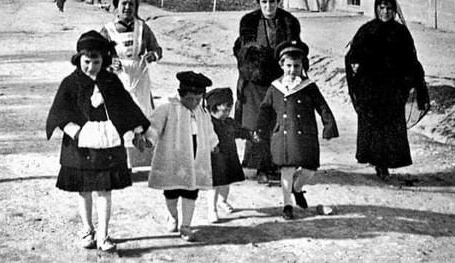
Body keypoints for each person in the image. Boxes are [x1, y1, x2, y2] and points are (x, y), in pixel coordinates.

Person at [45, 30, 150, 253]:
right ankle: (87, 230)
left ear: (104, 59)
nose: (91, 66)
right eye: (87, 61)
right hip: (79, 145)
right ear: (78, 60)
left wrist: (138, 130)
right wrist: (74, 131)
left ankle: (103, 234)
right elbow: (59, 111)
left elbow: (126, 106)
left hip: (107, 144)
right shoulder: (70, 83)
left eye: (96, 61)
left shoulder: (111, 81)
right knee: (84, 190)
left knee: (104, 190)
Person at [345, 0, 430, 181]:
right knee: (374, 126)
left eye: (389, 8)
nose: (385, 12)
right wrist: (357, 70)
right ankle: (378, 162)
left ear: (394, 11)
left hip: (392, 89)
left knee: (390, 127)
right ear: (376, 9)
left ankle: (386, 162)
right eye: (381, 8)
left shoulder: (401, 32)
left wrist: (414, 81)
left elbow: (411, 59)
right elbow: (353, 55)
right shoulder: (367, 30)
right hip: (371, 89)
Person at [254, 40, 339, 220]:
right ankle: (287, 204)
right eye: (289, 66)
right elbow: (265, 110)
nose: (292, 70)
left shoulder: (308, 86)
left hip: (305, 133)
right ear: (281, 65)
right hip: (283, 134)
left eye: (297, 66)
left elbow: (322, 106)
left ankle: (297, 188)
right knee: (287, 168)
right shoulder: (275, 87)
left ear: (302, 66)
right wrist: (260, 129)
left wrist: (329, 124)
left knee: (309, 169)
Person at [233, 0, 303, 183]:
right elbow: (244, 51)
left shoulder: (289, 22)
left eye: (272, 1)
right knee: (258, 122)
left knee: (278, 122)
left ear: (278, 2)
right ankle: (261, 167)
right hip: (255, 80)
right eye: (264, 2)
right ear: (259, 3)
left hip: (280, 80)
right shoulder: (249, 22)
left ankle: (277, 165)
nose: (268, 6)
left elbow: (295, 49)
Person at [145, 71, 218, 243]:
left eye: (197, 99)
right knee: (171, 191)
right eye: (190, 99)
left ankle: (186, 225)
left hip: (195, 156)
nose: (193, 103)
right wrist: (150, 139)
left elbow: (208, 131)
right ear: (180, 93)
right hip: (173, 156)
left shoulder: (202, 112)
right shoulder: (167, 107)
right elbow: (155, 125)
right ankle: (172, 216)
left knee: (191, 191)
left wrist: (214, 144)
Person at [101, 0, 162, 166]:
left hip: (139, 76)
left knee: (142, 112)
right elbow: (97, 54)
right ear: (117, 7)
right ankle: (120, 162)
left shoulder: (143, 28)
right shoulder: (108, 30)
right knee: (118, 115)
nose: (127, 7)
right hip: (118, 77)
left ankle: (141, 160)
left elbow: (157, 50)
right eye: (124, 4)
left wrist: (152, 56)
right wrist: (109, 62)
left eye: (131, 4)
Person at [205, 87, 251, 223]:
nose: (226, 113)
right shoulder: (208, 124)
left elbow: (241, 131)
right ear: (212, 109)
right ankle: (211, 209)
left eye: (228, 110)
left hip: (229, 156)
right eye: (223, 110)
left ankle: (222, 201)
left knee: (226, 182)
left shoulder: (230, 122)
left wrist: (250, 135)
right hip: (215, 158)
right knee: (214, 185)